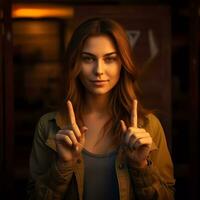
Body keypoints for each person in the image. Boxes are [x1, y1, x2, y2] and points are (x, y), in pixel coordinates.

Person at [27, 17, 175, 200]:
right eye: (88, 59)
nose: (99, 70)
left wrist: (141, 166)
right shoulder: (48, 125)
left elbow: (168, 196)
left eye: (110, 59)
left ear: (123, 63)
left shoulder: (149, 126)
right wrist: (62, 166)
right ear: (75, 63)